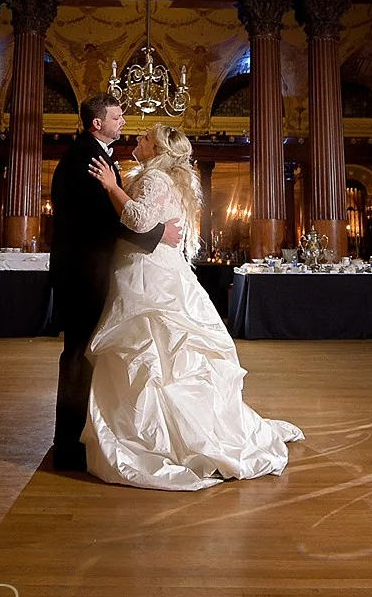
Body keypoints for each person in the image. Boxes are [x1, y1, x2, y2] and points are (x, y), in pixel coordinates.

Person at [83, 122, 303, 491]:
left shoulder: (155, 179)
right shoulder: (170, 179)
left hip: (147, 276)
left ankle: (159, 441)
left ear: (157, 150)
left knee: (151, 352)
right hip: (158, 269)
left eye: (145, 138)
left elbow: (138, 220)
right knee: (158, 356)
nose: (137, 140)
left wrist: (111, 187)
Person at [49, 94, 181, 472]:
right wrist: (158, 234)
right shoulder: (85, 158)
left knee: (87, 351)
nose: (123, 122)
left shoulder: (95, 154)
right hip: (83, 272)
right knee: (78, 354)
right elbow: (101, 220)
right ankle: (68, 446)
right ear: (97, 123)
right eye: (117, 117)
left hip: (91, 268)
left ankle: (86, 435)